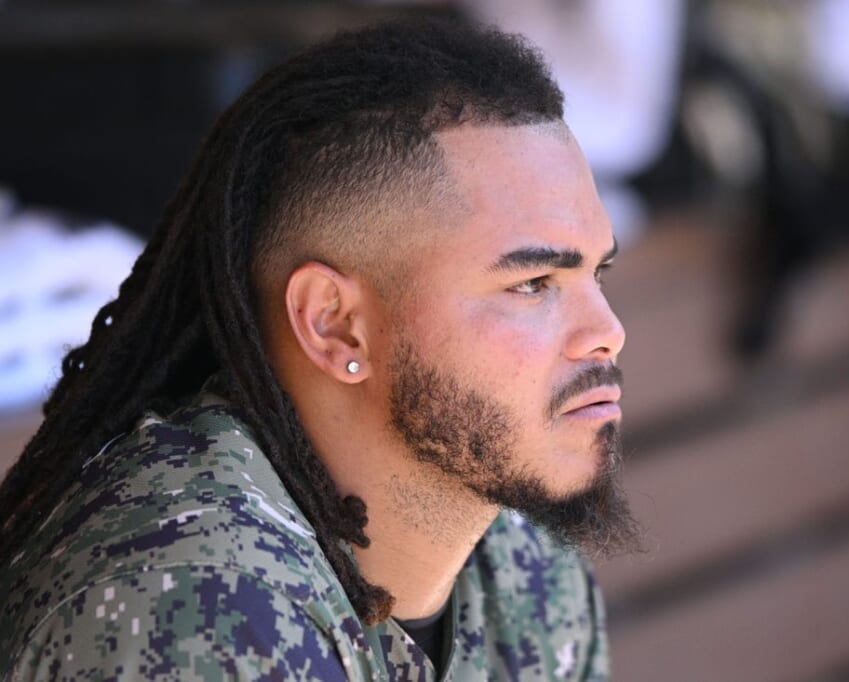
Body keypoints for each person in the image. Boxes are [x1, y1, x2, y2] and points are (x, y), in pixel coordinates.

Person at [0, 17, 640, 681]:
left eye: (597, 274)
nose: (608, 330)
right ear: (334, 326)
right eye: (533, 282)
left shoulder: (527, 571)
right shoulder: (195, 610)